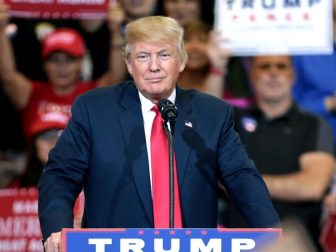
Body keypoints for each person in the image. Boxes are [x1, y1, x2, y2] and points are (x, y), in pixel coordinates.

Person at [38, 16, 280, 252]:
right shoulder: (94, 110)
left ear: (182, 60)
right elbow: (60, 176)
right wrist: (58, 230)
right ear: (129, 63)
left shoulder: (212, 114)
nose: (154, 66)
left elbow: (241, 177)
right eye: (143, 56)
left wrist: (271, 233)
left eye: (164, 55)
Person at [221, 55, 335, 251]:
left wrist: (241, 183)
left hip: (300, 243)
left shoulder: (314, 124)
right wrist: (217, 67)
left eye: (281, 67)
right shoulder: (231, 120)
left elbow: (312, 186)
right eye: (265, 67)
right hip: (239, 242)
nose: (273, 73)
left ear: (293, 75)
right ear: (252, 74)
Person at [0, 2, 126, 141]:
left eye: (70, 59)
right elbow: (7, 74)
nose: (62, 66)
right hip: (40, 162)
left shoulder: (93, 95)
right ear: (45, 64)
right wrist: (0, 28)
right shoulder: (31, 94)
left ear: (80, 63)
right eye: (54, 59)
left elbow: (116, 75)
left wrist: (116, 31)